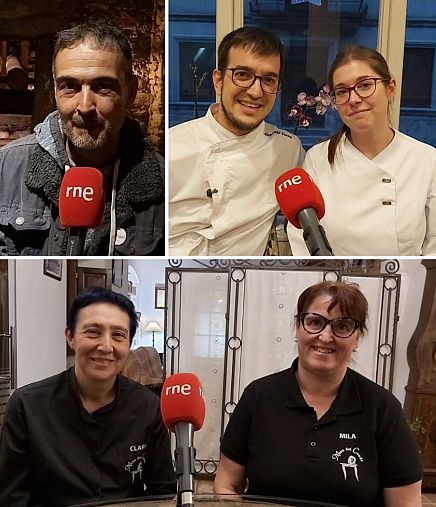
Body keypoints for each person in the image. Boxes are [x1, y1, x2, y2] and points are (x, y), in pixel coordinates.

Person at [214, 281, 422, 507]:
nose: (325, 336)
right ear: (297, 327)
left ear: (358, 338)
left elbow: (405, 502)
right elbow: (227, 484)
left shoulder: (382, 408)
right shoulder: (258, 397)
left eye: (342, 326)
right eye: (315, 322)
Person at [0, 22, 164, 256]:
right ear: (54, 92)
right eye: (70, 87)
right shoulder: (6, 168)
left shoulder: (164, 182)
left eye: (103, 87)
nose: (85, 106)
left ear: (130, 93)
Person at [0, 287, 175, 505]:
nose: (106, 346)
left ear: (129, 344)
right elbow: (11, 498)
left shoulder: (148, 406)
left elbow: (163, 492)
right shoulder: (27, 405)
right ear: (70, 337)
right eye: (93, 332)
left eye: (118, 335)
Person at [287, 45, 436, 255]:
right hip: (332, 283)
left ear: (391, 89)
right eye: (342, 91)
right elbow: (302, 239)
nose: (354, 99)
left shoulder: (426, 160)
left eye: (365, 85)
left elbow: (434, 250)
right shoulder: (318, 158)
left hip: (405, 283)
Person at [168, 26, 304, 255]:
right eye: (242, 75)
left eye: (268, 80)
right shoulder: (172, 148)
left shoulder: (288, 150)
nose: (255, 92)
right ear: (218, 80)